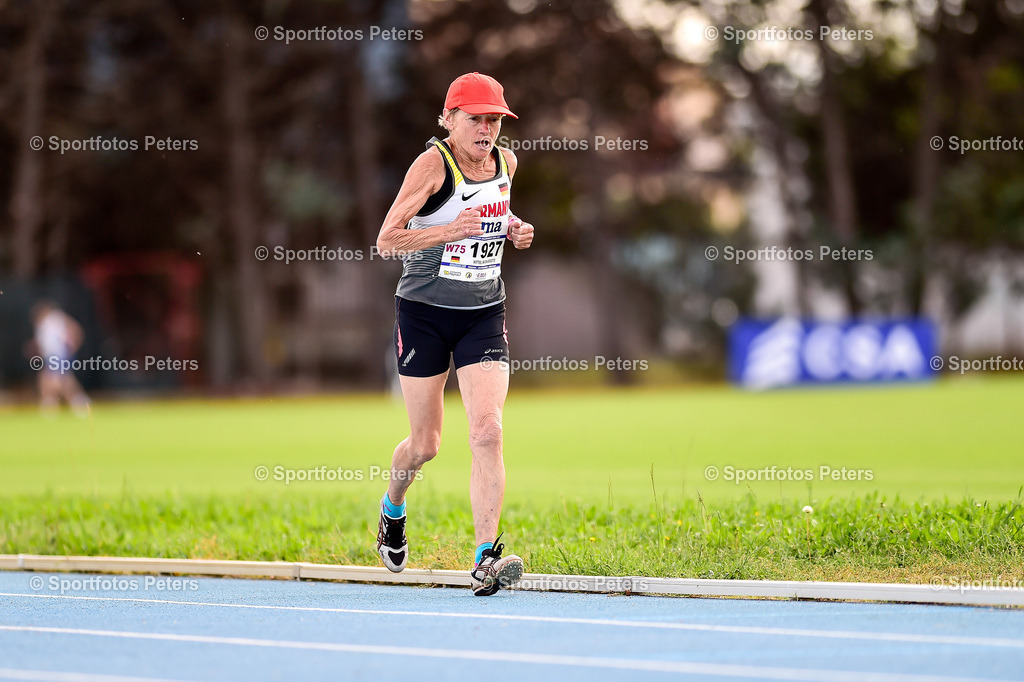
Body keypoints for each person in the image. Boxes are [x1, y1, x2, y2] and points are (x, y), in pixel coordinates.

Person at [374, 72, 535, 596]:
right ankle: (393, 507)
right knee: (426, 445)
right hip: (423, 313)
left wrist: (513, 227)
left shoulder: (506, 163)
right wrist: (448, 231)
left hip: (483, 313)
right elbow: (387, 240)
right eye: (476, 119)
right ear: (449, 119)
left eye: (494, 120)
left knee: (487, 430)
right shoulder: (431, 165)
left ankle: (486, 558)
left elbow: (496, 212)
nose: (486, 129)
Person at [30, 301, 91, 417]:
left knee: (57, 381)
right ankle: (57, 404)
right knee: (56, 380)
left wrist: (72, 347)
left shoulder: (55, 318)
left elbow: (75, 330)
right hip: (52, 356)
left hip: (59, 355)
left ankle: (72, 403)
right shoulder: (42, 325)